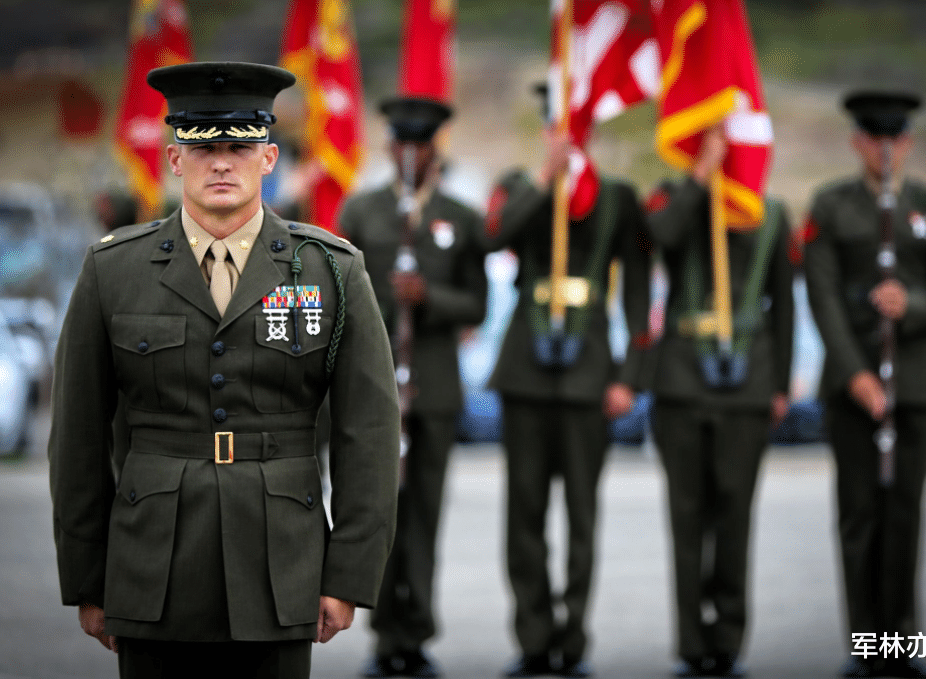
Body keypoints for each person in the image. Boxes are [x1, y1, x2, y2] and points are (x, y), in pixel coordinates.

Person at [48, 61, 401, 679]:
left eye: (239, 147)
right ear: (175, 157)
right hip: (150, 569)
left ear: (269, 158)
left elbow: (368, 434)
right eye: (201, 146)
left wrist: (348, 576)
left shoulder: (331, 270)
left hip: (281, 570)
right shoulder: (113, 271)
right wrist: (88, 578)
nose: (220, 163)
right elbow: (76, 437)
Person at [483, 89, 652, 678]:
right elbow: (495, 239)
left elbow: (636, 288)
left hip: (590, 377)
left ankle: (574, 639)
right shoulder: (518, 184)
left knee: (582, 516)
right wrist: (543, 175)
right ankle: (533, 637)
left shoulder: (617, 197)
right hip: (527, 372)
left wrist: (631, 375)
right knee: (523, 514)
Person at [803, 91, 926, 679]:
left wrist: (912, 304)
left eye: (895, 138)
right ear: (858, 143)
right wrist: (856, 375)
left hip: (917, 387)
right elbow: (821, 296)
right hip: (854, 387)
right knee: (858, 516)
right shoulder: (831, 206)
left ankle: (900, 645)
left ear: (910, 143)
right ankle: (865, 644)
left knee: (904, 514)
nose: (886, 149)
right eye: (875, 138)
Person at [339, 96, 488, 678]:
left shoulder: (461, 216)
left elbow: (477, 301)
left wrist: (430, 297)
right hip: (378, 390)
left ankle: (416, 633)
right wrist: (386, 300)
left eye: (420, 145)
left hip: (436, 392)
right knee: (383, 514)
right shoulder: (364, 212)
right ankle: (383, 637)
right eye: (401, 144)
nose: (409, 155)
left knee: (425, 515)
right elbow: (342, 296)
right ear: (387, 148)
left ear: (434, 151)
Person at [644, 123, 793, 678]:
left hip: (747, 386)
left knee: (734, 515)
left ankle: (727, 639)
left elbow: (785, 307)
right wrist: (700, 174)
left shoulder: (771, 213)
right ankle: (690, 643)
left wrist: (778, 385)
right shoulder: (675, 196)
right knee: (686, 519)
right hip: (682, 382)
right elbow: (656, 236)